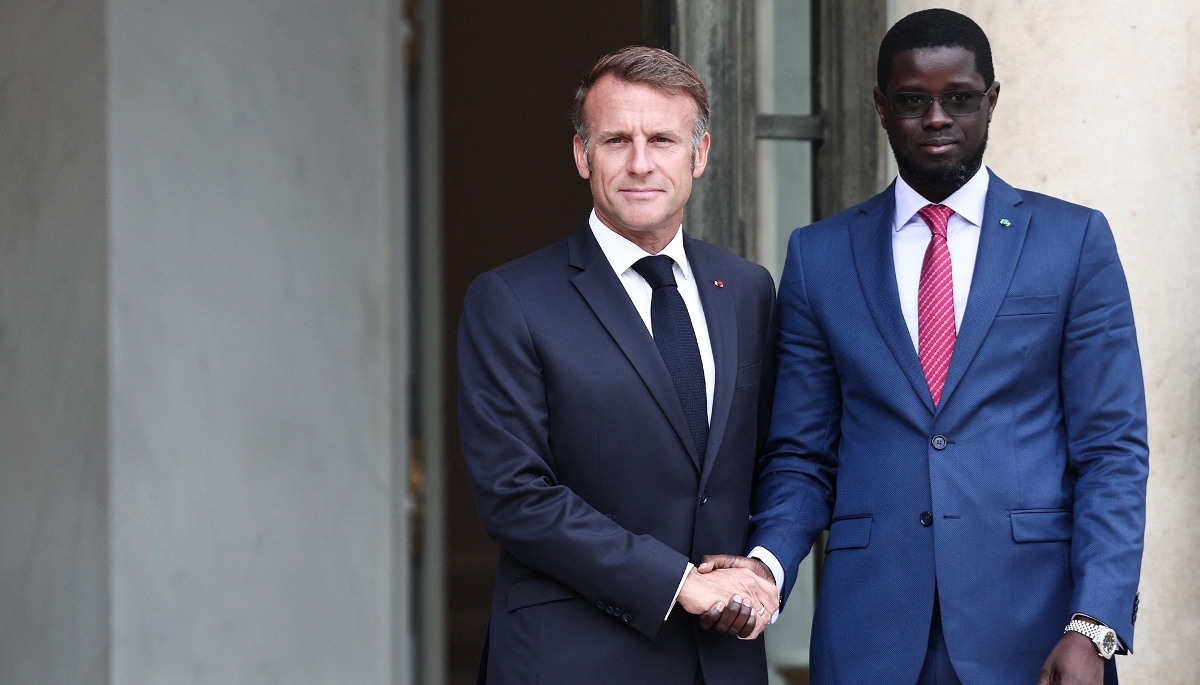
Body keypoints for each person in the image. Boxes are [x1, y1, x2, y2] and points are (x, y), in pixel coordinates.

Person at [701, 9, 1148, 685]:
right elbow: (801, 452)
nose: (937, 117)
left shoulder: (1074, 241)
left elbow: (1112, 448)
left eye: (960, 98)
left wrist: (1095, 623)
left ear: (991, 100)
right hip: (870, 630)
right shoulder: (820, 256)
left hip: (1037, 631)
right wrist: (766, 562)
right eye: (913, 100)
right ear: (881, 107)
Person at [456, 46, 779, 685]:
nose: (640, 163)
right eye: (615, 140)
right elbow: (514, 497)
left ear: (700, 154)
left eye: (662, 138)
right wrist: (677, 582)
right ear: (582, 155)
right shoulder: (511, 300)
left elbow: (773, 458)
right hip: (573, 660)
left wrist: (764, 567)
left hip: (722, 663)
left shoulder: (747, 290)